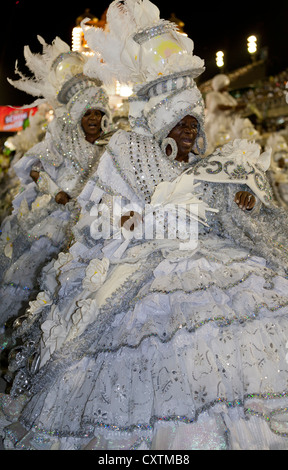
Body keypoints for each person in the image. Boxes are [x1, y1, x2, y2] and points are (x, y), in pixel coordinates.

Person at [1, 0, 288, 451]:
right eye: (183, 125)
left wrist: (242, 201)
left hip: (208, 265)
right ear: (163, 121)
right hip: (141, 268)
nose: (192, 134)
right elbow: (96, 218)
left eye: (195, 126)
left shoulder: (201, 165)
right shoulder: (124, 150)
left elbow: (220, 209)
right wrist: (129, 219)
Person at [0, 37, 113, 331]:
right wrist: (57, 192)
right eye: (86, 113)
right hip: (59, 216)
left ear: (105, 116)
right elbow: (34, 168)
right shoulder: (62, 139)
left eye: (97, 113)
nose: (92, 118)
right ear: (77, 117)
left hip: (103, 218)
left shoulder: (113, 144)